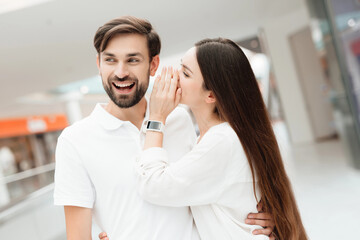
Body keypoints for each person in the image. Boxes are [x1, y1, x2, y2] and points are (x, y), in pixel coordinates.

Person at [54, 16, 274, 240]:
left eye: (132, 60)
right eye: (110, 60)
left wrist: (249, 213)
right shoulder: (75, 141)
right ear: (99, 64)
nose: (120, 72)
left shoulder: (178, 118)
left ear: (153, 65)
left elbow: (203, 187)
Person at [121, 38, 307, 239]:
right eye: (180, 66)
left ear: (210, 95)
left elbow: (153, 186)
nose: (174, 76)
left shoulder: (222, 141)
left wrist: (157, 118)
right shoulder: (221, 137)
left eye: (185, 73)